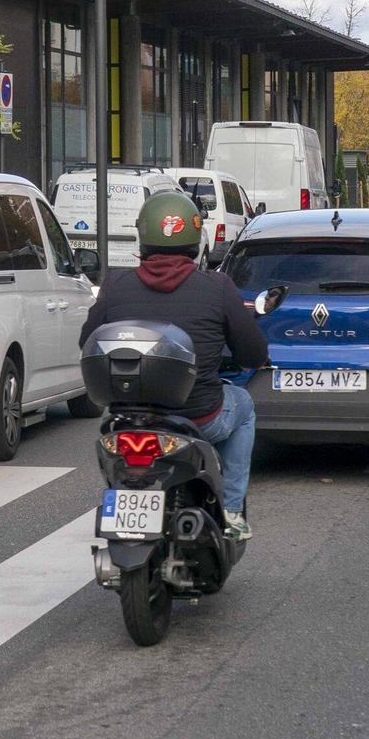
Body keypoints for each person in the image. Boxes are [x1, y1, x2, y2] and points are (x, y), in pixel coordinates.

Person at [79, 190, 266, 541]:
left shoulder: (116, 284)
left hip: (128, 421)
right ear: (195, 239)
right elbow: (252, 354)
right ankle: (232, 509)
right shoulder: (217, 286)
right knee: (244, 406)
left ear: (143, 235)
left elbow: (87, 341)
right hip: (198, 418)